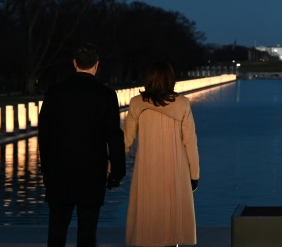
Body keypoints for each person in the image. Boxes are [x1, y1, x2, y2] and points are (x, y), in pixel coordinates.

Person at [38, 43, 126, 247]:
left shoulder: (55, 92)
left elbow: (45, 134)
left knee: (57, 228)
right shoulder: (106, 95)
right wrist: (117, 171)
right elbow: (113, 135)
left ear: (74, 64)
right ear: (97, 65)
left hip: (59, 168)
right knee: (88, 229)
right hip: (92, 169)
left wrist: (45, 168)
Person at [124, 61, 200, 247]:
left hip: (146, 171)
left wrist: (112, 166)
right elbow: (190, 143)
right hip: (175, 171)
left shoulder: (136, 104)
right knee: (171, 223)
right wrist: (194, 175)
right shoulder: (182, 104)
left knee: (147, 219)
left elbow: (126, 140)